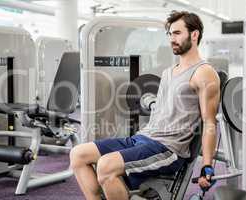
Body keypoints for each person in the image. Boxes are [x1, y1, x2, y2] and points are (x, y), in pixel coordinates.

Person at [70, 10, 220, 200]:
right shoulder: (169, 72)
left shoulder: (204, 73)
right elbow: (165, 108)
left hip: (167, 149)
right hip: (144, 137)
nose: (171, 39)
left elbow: (209, 122)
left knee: (105, 166)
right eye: (170, 34)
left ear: (195, 34)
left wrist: (207, 165)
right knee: (78, 154)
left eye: (177, 33)